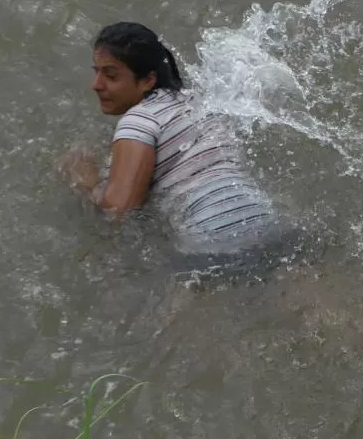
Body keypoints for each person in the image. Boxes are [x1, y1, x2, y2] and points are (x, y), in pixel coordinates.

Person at [59, 21, 286, 275]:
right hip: (268, 225)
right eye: (97, 72)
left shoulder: (139, 119)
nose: (96, 84)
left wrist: (88, 183)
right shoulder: (199, 102)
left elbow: (119, 212)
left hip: (213, 241)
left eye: (111, 76)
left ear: (147, 80)